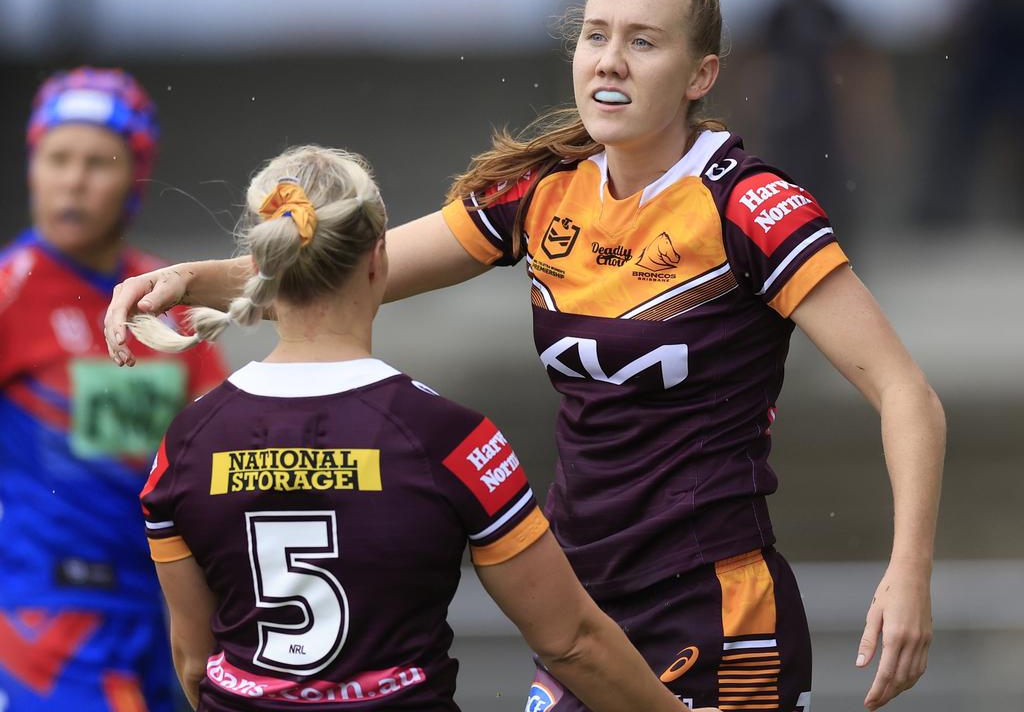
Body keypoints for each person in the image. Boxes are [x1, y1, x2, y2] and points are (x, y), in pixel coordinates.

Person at [104, 0, 946, 712]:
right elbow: (353, 261)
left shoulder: (751, 208)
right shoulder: (545, 194)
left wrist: (909, 575)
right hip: (579, 604)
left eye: (644, 42)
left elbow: (907, 394)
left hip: (714, 608)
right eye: (596, 35)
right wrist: (188, 278)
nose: (610, 59)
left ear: (702, 74)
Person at [125, 144, 712, 712]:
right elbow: (570, 643)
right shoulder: (452, 440)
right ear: (378, 259)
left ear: (264, 267)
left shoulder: (185, 443)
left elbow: (196, 664)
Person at [0, 67, 227, 712]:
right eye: (56, 158)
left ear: (137, 175)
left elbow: (220, 438)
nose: (73, 180)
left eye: (98, 162)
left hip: (157, 610)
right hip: (47, 614)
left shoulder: (163, 295)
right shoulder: (10, 292)